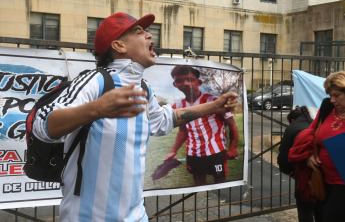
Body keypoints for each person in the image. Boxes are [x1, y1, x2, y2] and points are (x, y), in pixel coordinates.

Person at [32, 12, 238, 221]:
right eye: (139, 32)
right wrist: (97, 109)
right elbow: (41, 124)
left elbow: (163, 121)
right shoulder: (95, 80)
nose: (149, 35)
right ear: (119, 46)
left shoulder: (143, 88)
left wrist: (214, 106)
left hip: (136, 216)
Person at [164, 65, 239, 186]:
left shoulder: (215, 101)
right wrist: (173, 151)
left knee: (220, 182)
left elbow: (232, 126)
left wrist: (233, 147)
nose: (185, 83)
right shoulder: (177, 107)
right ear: (175, 84)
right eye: (179, 81)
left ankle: (219, 204)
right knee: (198, 182)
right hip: (193, 153)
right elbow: (183, 131)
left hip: (215, 151)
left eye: (190, 79)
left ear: (199, 82)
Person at [289, 71, 345, 222]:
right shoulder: (327, 108)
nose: (332, 100)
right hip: (322, 181)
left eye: (337, 95)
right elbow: (312, 133)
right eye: (330, 95)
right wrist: (309, 154)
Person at [278, 106, 323, 222]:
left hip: (303, 178)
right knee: (321, 210)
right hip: (324, 177)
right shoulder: (321, 126)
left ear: (293, 119)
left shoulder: (293, 128)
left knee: (305, 211)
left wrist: (292, 172)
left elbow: (283, 160)